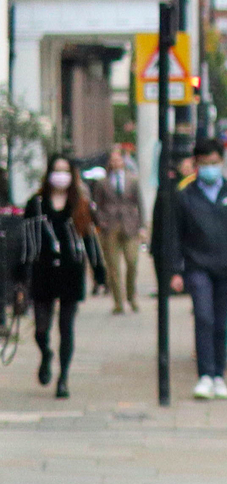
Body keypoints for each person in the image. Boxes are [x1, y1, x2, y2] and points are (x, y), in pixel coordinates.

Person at [162, 140, 227, 400]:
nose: (210, 168)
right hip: (197, 268)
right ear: (196, 165)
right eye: (205, 164)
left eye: (214, 163)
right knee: (204, 318)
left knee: (220, 323)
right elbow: (174, 236)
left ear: (222, 163)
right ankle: (205, 375)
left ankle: (219, 375)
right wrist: (175, 270)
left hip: (226, 268)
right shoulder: (185, 197)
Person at [20, 154, 103, 398]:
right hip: (42, 270)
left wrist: (99, 271)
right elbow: (27, 239)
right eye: (57, 170)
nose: (61, 175)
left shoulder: (80, 203)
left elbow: (89, 238)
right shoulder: (35, 203)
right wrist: (21, 272)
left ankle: (63, 377)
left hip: (70, 271)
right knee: (40, 328)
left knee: (66, 328)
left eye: (65, 171)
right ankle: (46, 353)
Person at [90, 142, 145, 313]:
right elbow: (96, 205)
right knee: (113, 267)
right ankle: (118, 302)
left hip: (130, 225)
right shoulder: (102, 183)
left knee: (132, 262)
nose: (116, 164)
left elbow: (140, 204)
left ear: (123, 161)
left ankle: (131, 295)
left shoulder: (133, 181)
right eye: (112, 161)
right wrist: (101, 222)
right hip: (110, 227)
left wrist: (142, 226)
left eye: (118, 160)